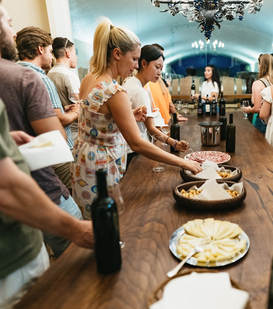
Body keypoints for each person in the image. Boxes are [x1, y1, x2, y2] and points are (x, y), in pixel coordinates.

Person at [0, 1, 93, 309]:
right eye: (9, 22)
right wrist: (78, 230)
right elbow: (52, 143)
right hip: (1, 247)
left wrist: (2, 139)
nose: (13, 29)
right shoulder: (27, 78)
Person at [71, 19, 201, 218]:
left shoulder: (89, 78)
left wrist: (128, 115)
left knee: (91, 221)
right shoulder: (115, 91)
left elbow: (95, 118)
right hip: (102, 168)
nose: (135, 66)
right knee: (108, 223)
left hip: (83, 163)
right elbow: (137, 143)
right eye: (133, 59)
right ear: (116, 54)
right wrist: (183, 163)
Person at [16, 27, 77, 192]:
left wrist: (63, 108)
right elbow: (59, 119)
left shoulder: (15, 75)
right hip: (56, 152)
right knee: (71, 198)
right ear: (40, 49)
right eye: (50, 51)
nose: (52, 57)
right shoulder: (40, 77)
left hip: (31, 155)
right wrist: (77, 111)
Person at [122, 45, 190, 152]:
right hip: (136, 149)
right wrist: (175, 143)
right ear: (144, 64)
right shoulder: (140, 92)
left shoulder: (130, 82)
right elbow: (151, 129)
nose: (159, 72)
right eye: (157, 67)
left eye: (161, 69)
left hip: (126, 145)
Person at [48, 37, 81, 142]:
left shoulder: (49, 74)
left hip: (58, 131)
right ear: (68, 53)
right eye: (75, 53)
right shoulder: (69, 76)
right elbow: (80, 106)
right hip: (75, 134)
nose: (76, 58)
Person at [146, 43, 186, 125]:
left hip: (163, 123)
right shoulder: (147, 81)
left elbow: (168, 101)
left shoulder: (159, 79)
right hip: (156, 125)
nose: (162, 58)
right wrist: (175, 116)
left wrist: (175, 116)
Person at [242, 53, 273, 134]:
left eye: (259, 64)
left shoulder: (258, 83)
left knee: (258, 145)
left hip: (263, 121)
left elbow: (257, 108)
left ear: (262, 65)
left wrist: (249, 110)